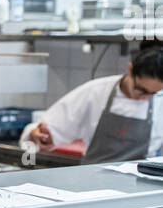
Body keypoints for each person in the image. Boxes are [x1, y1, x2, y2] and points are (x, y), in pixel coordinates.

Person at [21, 40, 163, 163]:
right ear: (130, 70)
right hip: (93, 183)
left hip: (140, 187)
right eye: (141, 90)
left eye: (154, 93)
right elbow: (47, 130)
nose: (145, 97)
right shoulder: (95, 91)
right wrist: (40, 137)